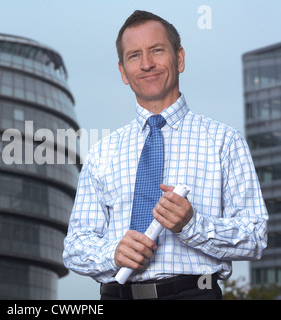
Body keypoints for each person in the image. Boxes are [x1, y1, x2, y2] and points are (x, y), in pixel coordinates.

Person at [63, 10, 268, 300]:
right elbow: (74, 248)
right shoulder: (102, 152)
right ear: (123, 72)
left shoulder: (225, 141)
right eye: (134, 56)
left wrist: (191, 225)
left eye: (157, 50)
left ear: (179, 58)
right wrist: (113, 252)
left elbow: (255, 236)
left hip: (193, 295)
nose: (147, 64)